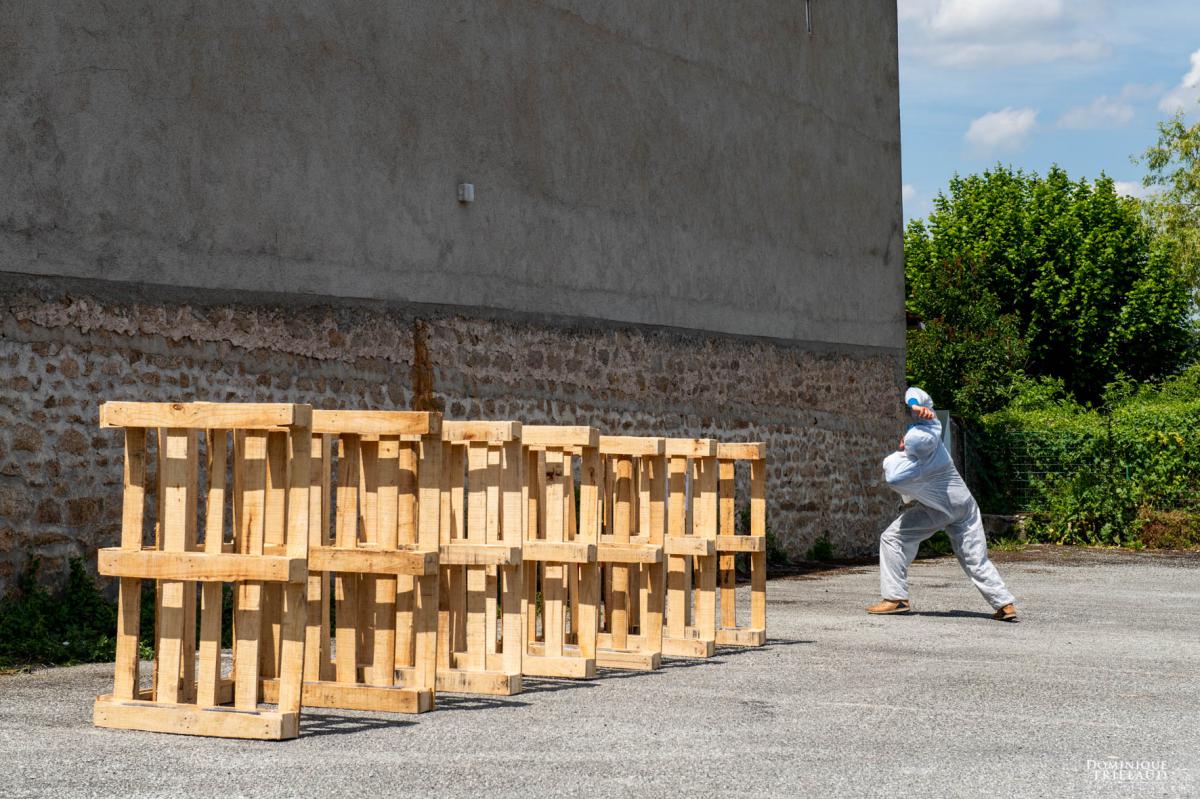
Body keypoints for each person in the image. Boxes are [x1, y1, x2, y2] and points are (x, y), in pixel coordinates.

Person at [866, 387, 1017, 621]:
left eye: (905, 441)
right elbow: (917, 394)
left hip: (936, 510)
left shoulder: (905, 468)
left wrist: (900, 450)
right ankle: (1004, 603)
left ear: (907, 447)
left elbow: (892, 475)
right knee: (974, 557)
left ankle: (895, 598)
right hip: (964, 506)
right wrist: (917, 405)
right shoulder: (935, 442)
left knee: (892, 538)